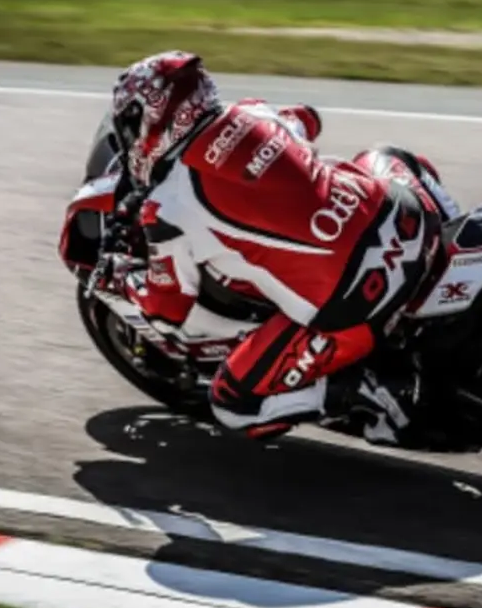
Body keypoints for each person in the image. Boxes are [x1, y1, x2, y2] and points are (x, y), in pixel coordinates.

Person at [98, 50, 461, 446]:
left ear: (153, 117)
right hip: (406, 218)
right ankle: (456, 235)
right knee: (382, 156)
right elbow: (308, 118)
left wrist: (124, 279)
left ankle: (371, 395)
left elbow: (168, 311)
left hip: (354, 306)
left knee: (232, 404)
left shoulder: (165, 207)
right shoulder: (253, 113)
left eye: (133, 124)